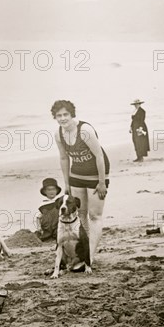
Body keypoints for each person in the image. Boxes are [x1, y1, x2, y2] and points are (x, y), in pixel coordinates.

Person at [52, 100, 110, 264]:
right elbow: (64, 158)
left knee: (95, 215)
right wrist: (67, 183)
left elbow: (99, 155)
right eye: (59, 116)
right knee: (81, 213)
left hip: (96, 174)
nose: (63, 119)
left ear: (72, 115)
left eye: (66, 115)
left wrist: (102, 182)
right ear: (55, 117)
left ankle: (89, 257)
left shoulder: (84, 130)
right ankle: (84, 251)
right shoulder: (58, 134)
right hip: (77, 174)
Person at [34, 178, 63, 242]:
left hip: (58, 227)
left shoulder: (60, 202)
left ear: (57, 190)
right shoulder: (43, 205)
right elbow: (38, 217)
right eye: (49, 190)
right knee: (42, 236)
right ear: (45, 192)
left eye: (53, 189)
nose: (51, 191)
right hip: (47, 228)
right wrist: (38, 228)